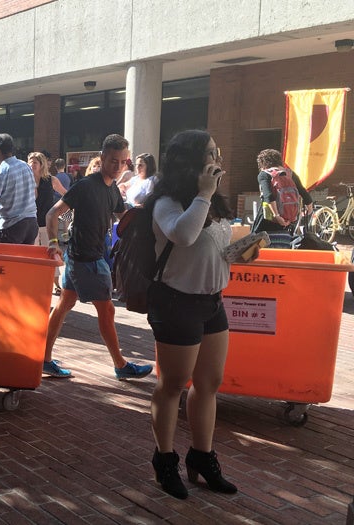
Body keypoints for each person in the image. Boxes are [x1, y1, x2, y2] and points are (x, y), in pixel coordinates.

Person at [146, 130, 239, 499]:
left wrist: (241, 252)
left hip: (212, 302)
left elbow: (213, 245)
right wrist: (203, 194)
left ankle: (202, 456)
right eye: (210, 153)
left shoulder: (213, 202)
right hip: (176, 302)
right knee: (172, 386)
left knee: (209, 384)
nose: (217, 159)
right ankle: (164, 459)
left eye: (217, 152)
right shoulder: (167, 202)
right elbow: (183, 236)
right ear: (189, 161)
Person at [42, 134, 153, 380]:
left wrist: (147, 214)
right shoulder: (85, 186)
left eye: (123, 162)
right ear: (102, 158)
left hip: (83, 257)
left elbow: (123, 214)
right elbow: (53, 214)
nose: (118, 166)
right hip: (85, 260)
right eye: (113, 161)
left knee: (63, 306)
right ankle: (120, 365)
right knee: (107, 311)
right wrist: (53, 243)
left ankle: (44, 358)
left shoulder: (111, 187)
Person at [0, 134, 38, 244]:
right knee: (25, 260)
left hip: (12, 226)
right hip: (32, 223)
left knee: (8, 261)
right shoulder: (25, 165)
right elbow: (35, 193)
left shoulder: (1, 171)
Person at [28, 152, 67, 293]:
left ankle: (56, 283)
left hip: (47, 223)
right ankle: (33, 282)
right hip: (30, 223)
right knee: (32, 253)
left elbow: (66, 194)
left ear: (41, 164)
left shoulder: (51, 180)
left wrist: (61, 209)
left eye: (35, 162)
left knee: (50, 252)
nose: (31, 165)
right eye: (30, 162)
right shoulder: (25, 180)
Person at [252, 148, 313, 233]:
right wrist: (309, 210)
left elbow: (268, 196)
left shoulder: (264, 174)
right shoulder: (290, 174)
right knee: (285, 243)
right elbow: (303, 192)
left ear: (262, 163)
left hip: (268, 218)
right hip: (289, 219)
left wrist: (277, 216)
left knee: (258, 243)